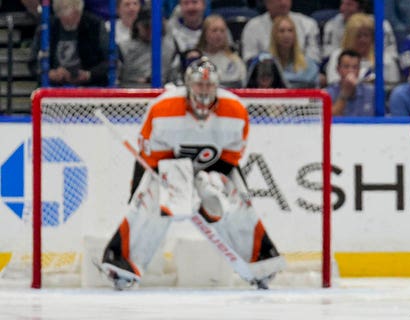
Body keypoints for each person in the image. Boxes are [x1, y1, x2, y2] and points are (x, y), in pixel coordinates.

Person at [101, 57, 283, 290]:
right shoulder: (162, 108)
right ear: (187, 85)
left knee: (233, 204)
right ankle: (123, 263)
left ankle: (261, 262)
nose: (204, 91)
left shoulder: (235, 110)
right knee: (153, 204)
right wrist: (142, 191)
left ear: (217, 86)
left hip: (214, 168)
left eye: (208, 85)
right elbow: (149, 157)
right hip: (170, 167)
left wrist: (220, 188)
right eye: (199, 85)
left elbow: (231, 158)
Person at [43, 0, 110, 86]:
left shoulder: (95, 25)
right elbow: (35, 62)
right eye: (65, 20)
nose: (69, 23)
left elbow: (112, 60)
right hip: (55, 88)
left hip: (91, 87)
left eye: (74, 18)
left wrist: (89, 74)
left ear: (79, 13)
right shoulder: (48, 27)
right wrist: (50, 73)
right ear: (58, 15)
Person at [324, 13, 400, 87]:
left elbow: (392, 87)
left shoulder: (385, 59)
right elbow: (333, 84)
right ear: (350, 37)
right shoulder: (337, 56)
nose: (363, 40)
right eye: (358, 36)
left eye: (366, 35)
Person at [240, 0, 320, 63]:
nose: (283, 2)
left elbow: (314, 58)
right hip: (266, 76)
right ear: (266, 2)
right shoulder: (253, 26)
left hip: (301, 75)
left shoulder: (308, 24)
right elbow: (249, 59)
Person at [118, 7, 175, 87]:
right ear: (137, 25)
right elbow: (116, 78)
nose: (150, 30)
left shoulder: (170, 48)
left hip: (162, 93)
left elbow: (174, 79)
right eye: (146, 26)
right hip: (130, 91)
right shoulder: (123, 48)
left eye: (154, 26)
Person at [323, 0, 397, 62]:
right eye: (342, 4)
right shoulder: (332, 25)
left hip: (373, 65)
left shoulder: (381, 24)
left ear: (361, 8)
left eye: (349, 5)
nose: (342, 8)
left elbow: (392, 55)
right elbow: (328, 56)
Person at [196, 15, 246, 88]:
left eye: (222, 31)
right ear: (205, 34)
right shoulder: (197, 60)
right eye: (214, 30)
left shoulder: (235, 61)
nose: (218, 34)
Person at [269, 15, 319, 88]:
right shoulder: (267, 63)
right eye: (281, 31)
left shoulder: (309, 65)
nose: (286, 35)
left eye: (290, 30)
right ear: (274, 35)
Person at [326, 49, 375, 116]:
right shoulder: (328, 93)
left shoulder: (371, 92)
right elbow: (329, 119)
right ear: (338, 69)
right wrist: (344, 94)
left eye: (355, 67)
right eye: (346, 67)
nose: (351, 71)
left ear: (359, 70)